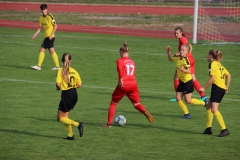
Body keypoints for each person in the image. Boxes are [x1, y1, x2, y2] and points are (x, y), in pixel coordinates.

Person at [102, 42, 154, 128]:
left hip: (124, 84)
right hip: (133, 84)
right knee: (136, 104)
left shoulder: (119, 60)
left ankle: (109, 124)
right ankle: (144, 111)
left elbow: (119, 68)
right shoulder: (132, 62)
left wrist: (121, 79)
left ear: (121, 52)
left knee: (113, 103)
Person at [166, 44, 207, 119]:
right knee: (178, 98)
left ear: (186, 52)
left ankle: (204, 103)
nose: (181, 51)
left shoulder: (186, 60)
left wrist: (183, 70)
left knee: (188, 101)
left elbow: (189, 71)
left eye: (183, 50)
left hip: (187, 82)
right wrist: (168, 51)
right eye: (180, 50)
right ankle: (186, 114)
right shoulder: (178, 58)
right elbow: (170, 59)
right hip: (182, 81)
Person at [169, 27, 207, 102]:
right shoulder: (182, 39)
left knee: (177, 77)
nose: (176, 35)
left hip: (186, 60)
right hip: (190, 59)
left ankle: (178, 96)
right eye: (175, 33)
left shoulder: (182, 39)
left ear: (181, 32)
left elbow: (185, 49)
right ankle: (203, 95)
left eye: (177, 33)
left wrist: (179, 54)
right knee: (192, 78)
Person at [200, 50, 231, 137]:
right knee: (208, 107)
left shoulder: (212, 64)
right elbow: (228, 75)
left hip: (217, 88)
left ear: (210, 56)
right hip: (220, 88)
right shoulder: (219, 64)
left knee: (214, 109)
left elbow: (212, 78)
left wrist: (204, 87)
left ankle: (224, 129)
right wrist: (227, 86)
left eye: (207, 55)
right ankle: (208, 128)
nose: (207, 56)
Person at [56, 53, 84, 140]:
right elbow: (79, 84)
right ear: (70, 61)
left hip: (66, 95)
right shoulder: (74, 71)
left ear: (61, 61)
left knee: (59, 118)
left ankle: (78, 124)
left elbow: (58, 84)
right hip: (74, 94)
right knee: (65, 117)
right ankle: (70, 135)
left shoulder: (60, 71)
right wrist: (72, 87)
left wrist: (58, 87)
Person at [31, 4, 60, 70]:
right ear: (40, 10)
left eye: (44, 9)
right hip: (46, 36)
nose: (43, 11)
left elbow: (56, 26)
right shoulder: (41, 18)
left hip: (50, 37)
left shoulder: (50, 17)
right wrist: (34, 35)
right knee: (51, 51)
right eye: (42, 9)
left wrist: (51, 34)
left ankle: (38, 66)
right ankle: (57, 66)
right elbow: (40, 28)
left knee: (41, 50)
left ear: (47, 9)